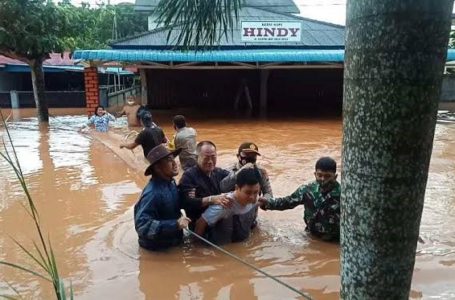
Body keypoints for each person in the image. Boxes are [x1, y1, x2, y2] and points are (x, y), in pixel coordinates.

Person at [259, 157, 341, 242]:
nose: (323, 179)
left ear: (335, 177)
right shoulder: (307, 189)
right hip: (311, 237)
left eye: (327, 176)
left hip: (335, 241)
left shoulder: (343, 195)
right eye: (320, 175)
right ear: (315, 174)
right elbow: (288, 201)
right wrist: (268, 203)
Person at [134, 144, 190, 251]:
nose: (175, 163)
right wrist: (175, 225)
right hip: (158, 249)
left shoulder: (171, 182)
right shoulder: (152, 193)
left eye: (174, 159)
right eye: (169, 160)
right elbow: (142, 226)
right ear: (158, 168)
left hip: (174, 242)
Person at [194, 168, 260, 245]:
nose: (252, 197)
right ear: (237, 188)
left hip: (242, 245)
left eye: (255, 192)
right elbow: (200, 223)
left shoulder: (256, 199)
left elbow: (253, 223)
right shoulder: (224, 205)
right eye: (248, 193)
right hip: (220, 249)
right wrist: (197, 247)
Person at [178, 141, 231, 228]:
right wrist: (211, 199)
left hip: (216, 220)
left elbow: (233, 178)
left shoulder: (218, 172)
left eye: (213, 157)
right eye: (206, 158)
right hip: (198, 224)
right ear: (196, 157)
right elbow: (187, 203)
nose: (210, 161)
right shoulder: (189, 176)